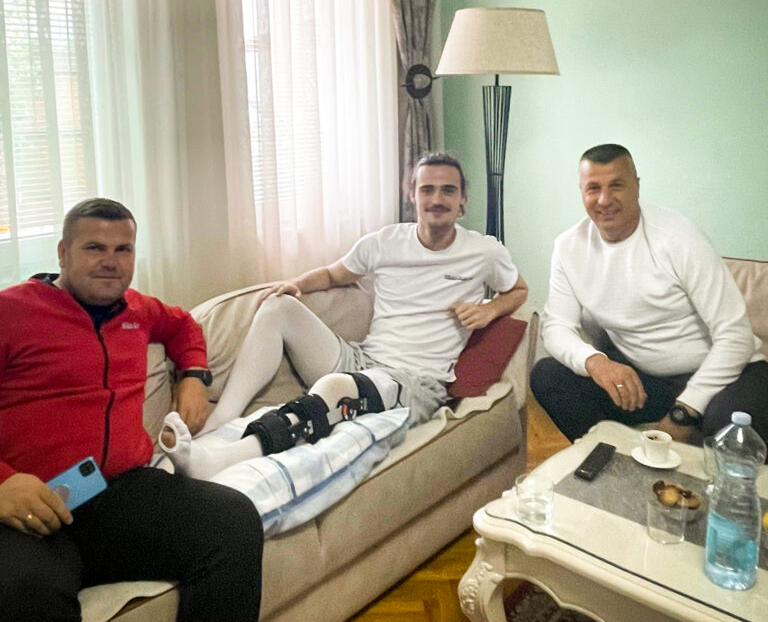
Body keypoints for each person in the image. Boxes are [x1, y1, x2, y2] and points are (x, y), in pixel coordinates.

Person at [0, 199, 264, 622]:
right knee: (24, 603)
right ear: (62, 252)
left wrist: (195, 377)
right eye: (94, 247)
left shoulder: (137, 311)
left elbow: (183, 326)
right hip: (30, 510)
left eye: (123, 249)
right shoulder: (12, 311)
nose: (111, 261)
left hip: (118, 493)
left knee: (232, 522)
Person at [159, 153, 528, 479]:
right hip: (362, 361)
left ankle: (223, 459)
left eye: (448, 190)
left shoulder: (484, 252)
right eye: (427, 189)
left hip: (418, 383)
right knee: (278, 307)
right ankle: (222, 420)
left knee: (336, 388)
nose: (436, 199)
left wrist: (489, 309)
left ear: (462, 201)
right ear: (412, 195)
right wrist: (295, 284)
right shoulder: (384, 242)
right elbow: (333, 274)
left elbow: (518, 290)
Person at [531, 144, 768, 447]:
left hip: (729, 373)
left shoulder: (677, 236)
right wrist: (595, 361)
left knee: (733, 424)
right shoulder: (568, 247)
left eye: (616, 185)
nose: (604, 199)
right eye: (594, 188)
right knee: (548, 376)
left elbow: (736, 335)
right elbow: (556, 327)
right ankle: (614, 460)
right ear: (581, 191)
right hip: (649, 380)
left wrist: (684, 412)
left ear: (637, 186)